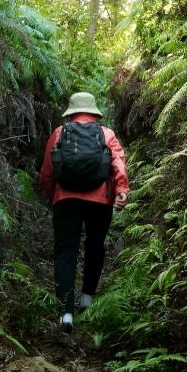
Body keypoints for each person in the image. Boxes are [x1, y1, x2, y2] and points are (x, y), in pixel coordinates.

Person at [39, 92, 129, 333]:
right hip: (100, 200)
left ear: (71, 112)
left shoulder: (60, 133)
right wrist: (121, 190)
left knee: (66, 251)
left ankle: (66, 313)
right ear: (94, 112)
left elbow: (48, 170)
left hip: (65, 200)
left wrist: (51, 195)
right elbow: (118, 163)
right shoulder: (106, 133)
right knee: (95, 244)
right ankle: (87, 298)